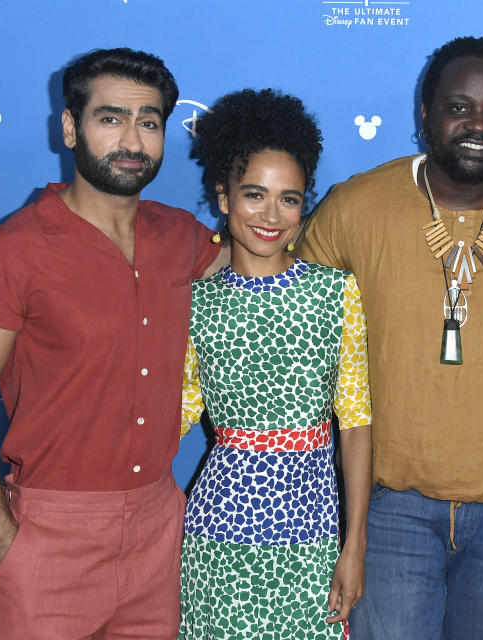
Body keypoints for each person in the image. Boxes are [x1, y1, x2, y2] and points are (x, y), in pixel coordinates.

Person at [296, 36, 483, 638]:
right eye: (459, 106)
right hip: (391, 504)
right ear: (425, 113)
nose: (479, 124)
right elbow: (288, 309)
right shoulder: (355, 206)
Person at [0, 48, 222, 639]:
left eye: (149, 122)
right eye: (110, 118)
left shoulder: (182, 237)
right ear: (70, 127)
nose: (132, 140)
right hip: (48, 538)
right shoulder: (9, 253)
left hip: (159, 533)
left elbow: (265, 255)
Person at [178, 88, 372, 640]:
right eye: (254, 195)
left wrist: (353, 545)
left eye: (289, 199)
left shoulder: (336, 293)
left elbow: (355, 424)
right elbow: (180, 411)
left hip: (312, 531)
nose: (271, 214)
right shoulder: (197, 300)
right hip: (217, 531)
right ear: (223, 197)